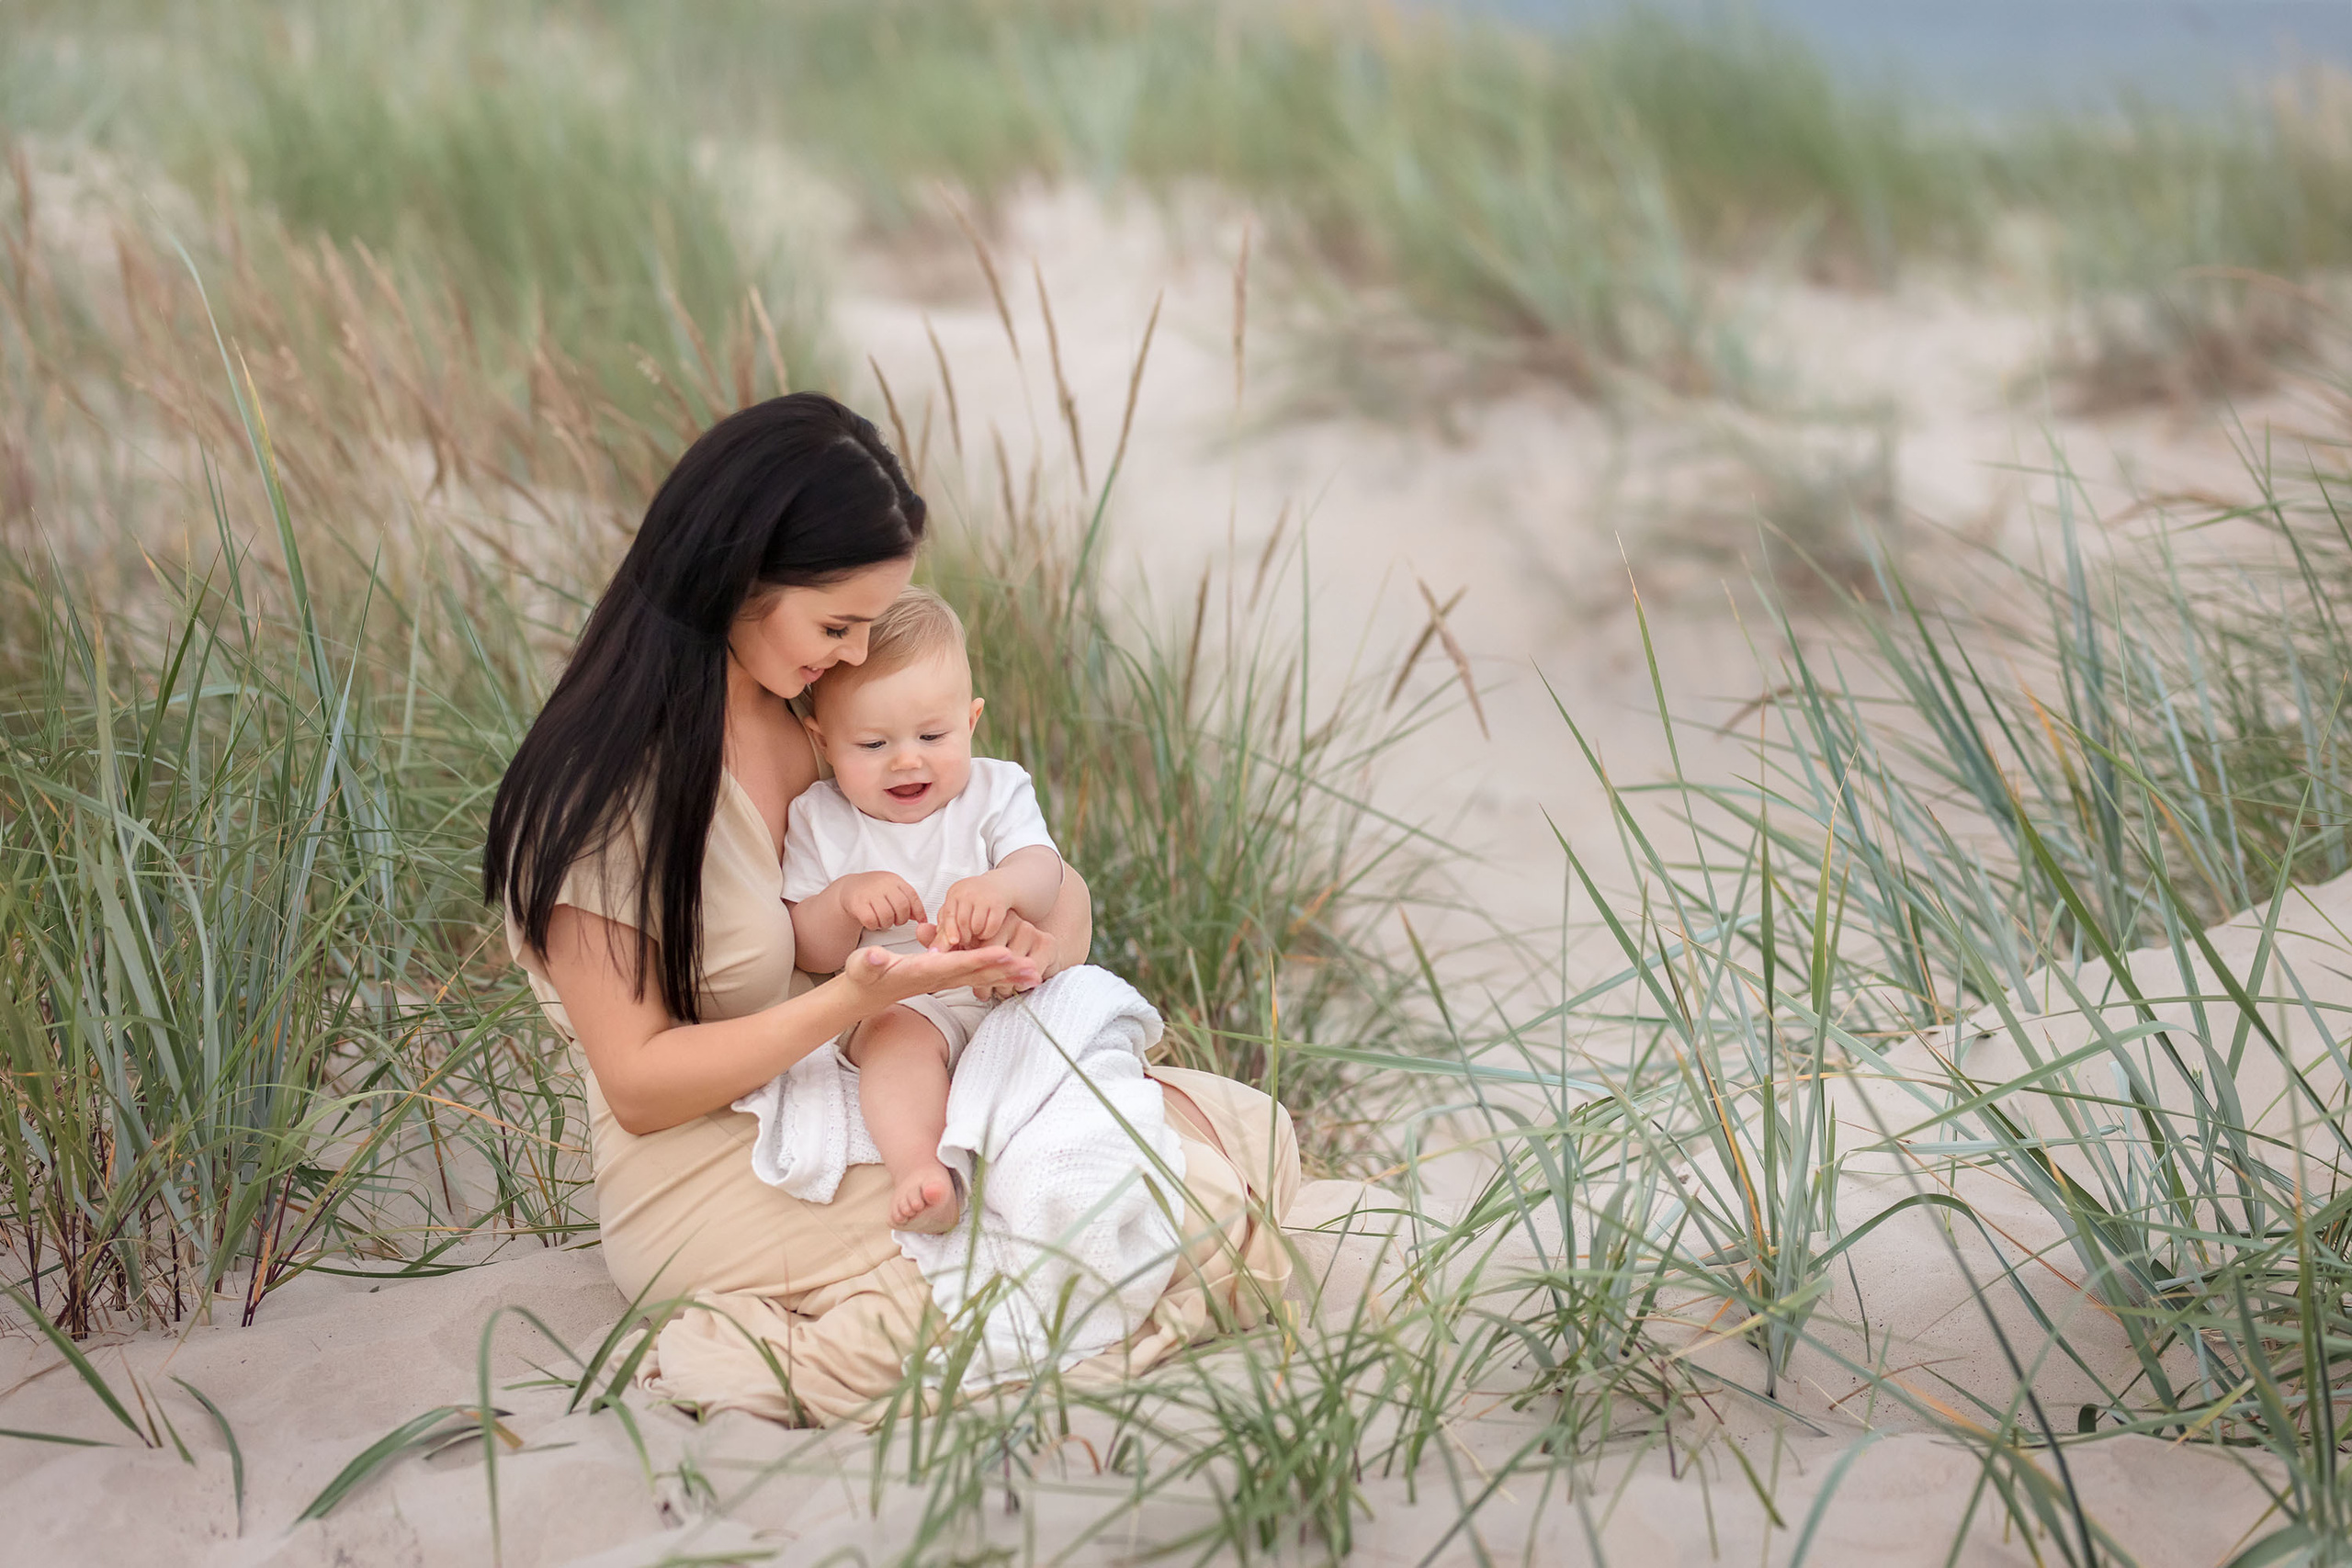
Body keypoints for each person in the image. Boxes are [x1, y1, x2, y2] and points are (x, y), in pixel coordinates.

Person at [483, 392, 1296, 1426]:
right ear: (740, 579)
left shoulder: (806, 725)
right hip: (708, 1165)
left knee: (1239, 1133)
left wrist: (1021, 923)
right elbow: (641, 1086)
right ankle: (758, 1345)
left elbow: (1002, 860)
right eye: (837, 625)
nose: (859, 657)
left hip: (851, 1091)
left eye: (869, 626)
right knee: (1160, 1207)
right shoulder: (605, 797)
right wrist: (858, 995)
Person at [784, 587, 1062, 1234]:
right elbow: (809, 949)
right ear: (822, 740)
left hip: (1002, 986)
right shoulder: (821, 818)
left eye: (932, 734)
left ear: (970, 721)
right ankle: (922, 1171)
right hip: (902, 1000)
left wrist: (1002, 886)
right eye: (874, 744)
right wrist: (846, 898)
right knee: (895, 1046)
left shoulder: (996, 790)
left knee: (1068, 1042)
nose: (907, 758)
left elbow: (1045, 875)